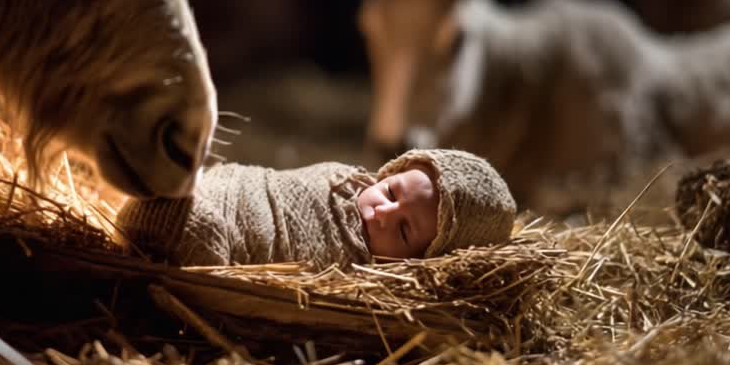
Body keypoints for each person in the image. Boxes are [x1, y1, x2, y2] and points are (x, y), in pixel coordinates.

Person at [116, 148, 517, 268]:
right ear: (391, 171)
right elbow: (274, 184)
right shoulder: (342, 176)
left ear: (422, 261)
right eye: (391, 193)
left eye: (403, 231)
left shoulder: (357, 271)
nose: (381, 213)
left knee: (200, 231)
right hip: (229, 191)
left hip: (219, 231)